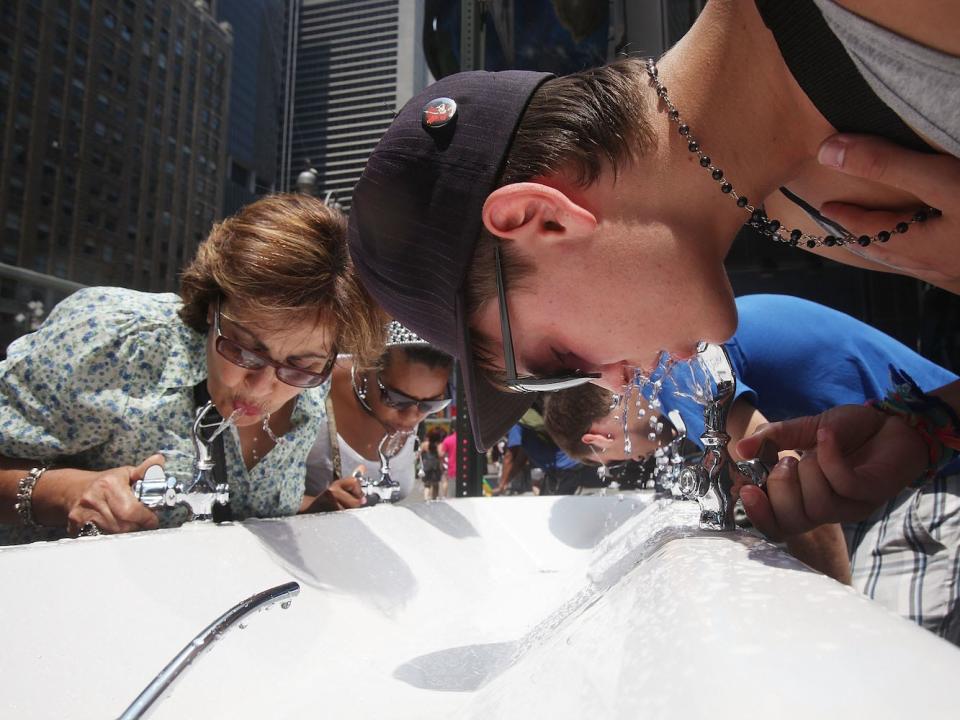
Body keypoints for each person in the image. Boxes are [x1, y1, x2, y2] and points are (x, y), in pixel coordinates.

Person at [347, 0, 960, 538]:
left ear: (541, 219)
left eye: (562, 359)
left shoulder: (865, 16)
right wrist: (931, 424)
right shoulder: (812, 219)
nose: (613, 383)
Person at [543, 294, 960, 642]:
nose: (638, 460)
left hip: (929, 470)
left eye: (619, 460)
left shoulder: (674, 377)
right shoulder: (674, 370)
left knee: (879, 655)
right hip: (896, 458)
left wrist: (830, 614)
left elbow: (783, 471)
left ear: (597, 439)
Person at [0, 193, 385, 545]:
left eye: (301, 365)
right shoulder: (114, 340)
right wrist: (65, 492)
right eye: (245, 348)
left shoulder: (309, 394)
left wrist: (314, 511)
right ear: (212, 304)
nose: (263, 386)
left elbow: (244, 512)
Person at [304, 322, 453, 504]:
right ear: (367, 366)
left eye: (430, 405)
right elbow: (260, 497)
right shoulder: (310, 389)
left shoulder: (414, 400)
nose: (412, 417)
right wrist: (312, 505)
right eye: (397, 400)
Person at [497, 402, 599, 496]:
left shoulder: (517, 423)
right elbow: (521, 458)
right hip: (558, 468)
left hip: (566, 465)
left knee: (557, 506)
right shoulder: (525, 424)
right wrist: (506, 481)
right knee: (548, 502)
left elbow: (510, 456)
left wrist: (502, 484)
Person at [420, 427, 446, 500]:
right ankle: (434, 498)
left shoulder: (424, 444)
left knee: (427, 484)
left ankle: (426, 498)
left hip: (426, 465)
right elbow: (441, 455)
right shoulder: (439, 445)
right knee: (435, 484)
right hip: (436, 465)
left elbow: (418, 454)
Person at [438, 430, 457, 498]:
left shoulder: (448, 440)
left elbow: (441, 454)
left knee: (453, 493)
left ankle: (444, 496)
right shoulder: (467, 439)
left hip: (451, 468)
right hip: (466, 469)